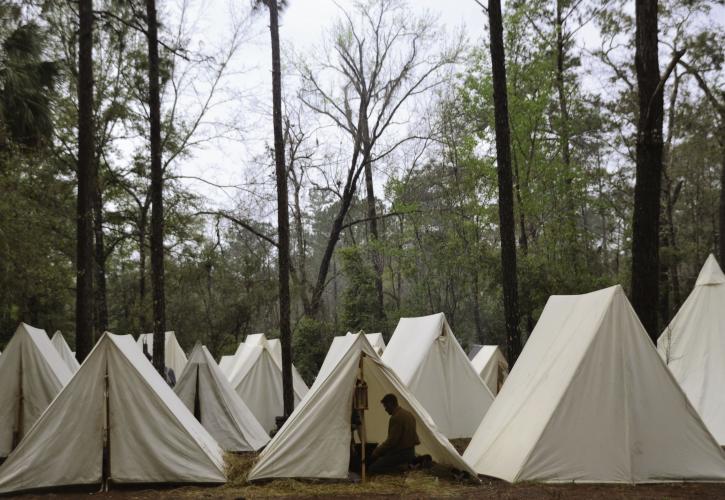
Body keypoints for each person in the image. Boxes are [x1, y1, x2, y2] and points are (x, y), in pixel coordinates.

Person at [368, 394, 420, 474]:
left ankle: (401, 470)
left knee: (373, 469)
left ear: (390, 404)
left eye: (385, 406)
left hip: (401, 454)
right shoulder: (409, 414)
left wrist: (376, 452)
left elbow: (392, 442)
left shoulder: (396, 417)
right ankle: (404, 467)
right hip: (411, 452)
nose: (385, 409)